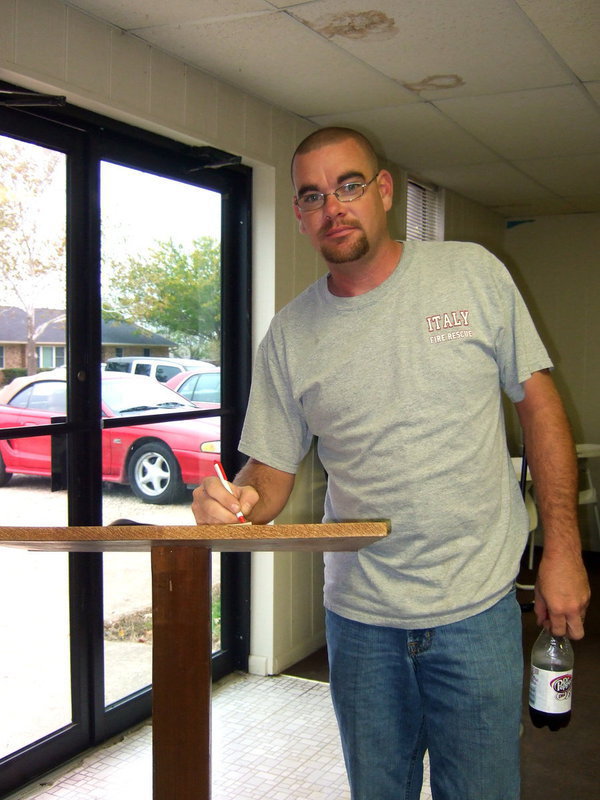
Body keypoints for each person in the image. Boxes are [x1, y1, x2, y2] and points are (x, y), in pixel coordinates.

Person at [192, 127, 590, 799]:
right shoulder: (290, 334)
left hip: (476, 607)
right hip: (362, 621)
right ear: (298, 215)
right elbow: (271, 472)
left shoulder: (471, 273)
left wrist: (564, 549)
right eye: (313, 195)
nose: (333, 207)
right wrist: (237, 503)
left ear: (383, 192)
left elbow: (541, 410)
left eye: (349, 185)